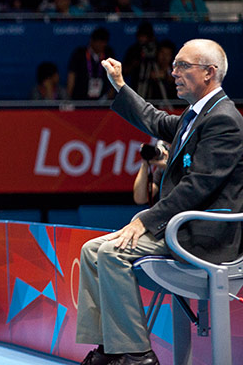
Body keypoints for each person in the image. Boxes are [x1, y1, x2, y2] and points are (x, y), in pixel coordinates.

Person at [77, 39, 243, 365]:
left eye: (183, 66)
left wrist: (145, 219)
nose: (173, 72)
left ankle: (137, 355)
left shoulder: (224, 120)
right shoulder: (195, 116)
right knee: (91, 251)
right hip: (185, 229)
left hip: (207, 238)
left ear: (209, 72)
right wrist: (120, 85)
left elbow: (198, 187)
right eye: (174, 66)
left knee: (111, 252)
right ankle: (110, 349)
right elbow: (153, 120)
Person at [67, 27, 115, 100]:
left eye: (104, 43)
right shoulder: (80, 53)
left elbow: (113, 74)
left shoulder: (108, 53)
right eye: (99, 42)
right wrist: (69, 97)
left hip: (102, 99)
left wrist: (112, 91)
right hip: (81, 97)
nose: (102, 45)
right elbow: (72, 74)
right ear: (92, 41)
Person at [132, 141, 169, 206]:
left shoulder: (187, 162)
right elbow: (140, 199)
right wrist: (145, 163)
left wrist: (170, 165)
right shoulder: (161, 171)